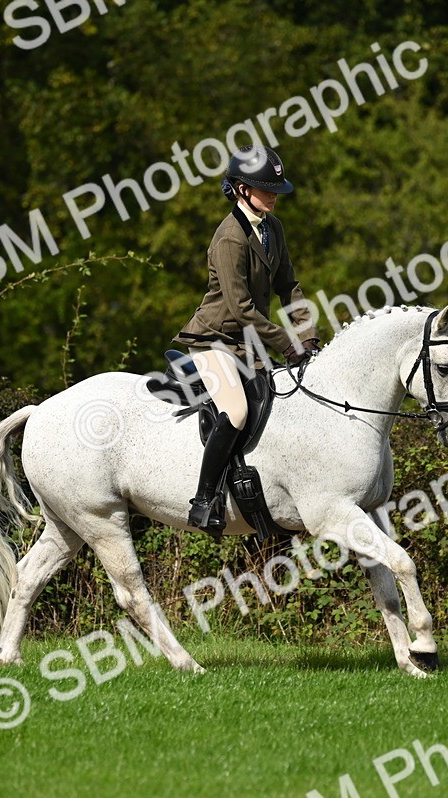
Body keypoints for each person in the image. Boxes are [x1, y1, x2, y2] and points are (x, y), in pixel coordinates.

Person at [173, 145, 320, 533]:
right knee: (237, 411)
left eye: (275, 188)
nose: (274, 195)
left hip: (250, 340)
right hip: (214, 339)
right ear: (240, 189)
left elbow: (290, 286)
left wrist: (309, 336)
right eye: (265, 188)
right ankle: (204, 500)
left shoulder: (273, 228)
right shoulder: (230, 239)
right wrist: (287, 344)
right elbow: (239, 308)